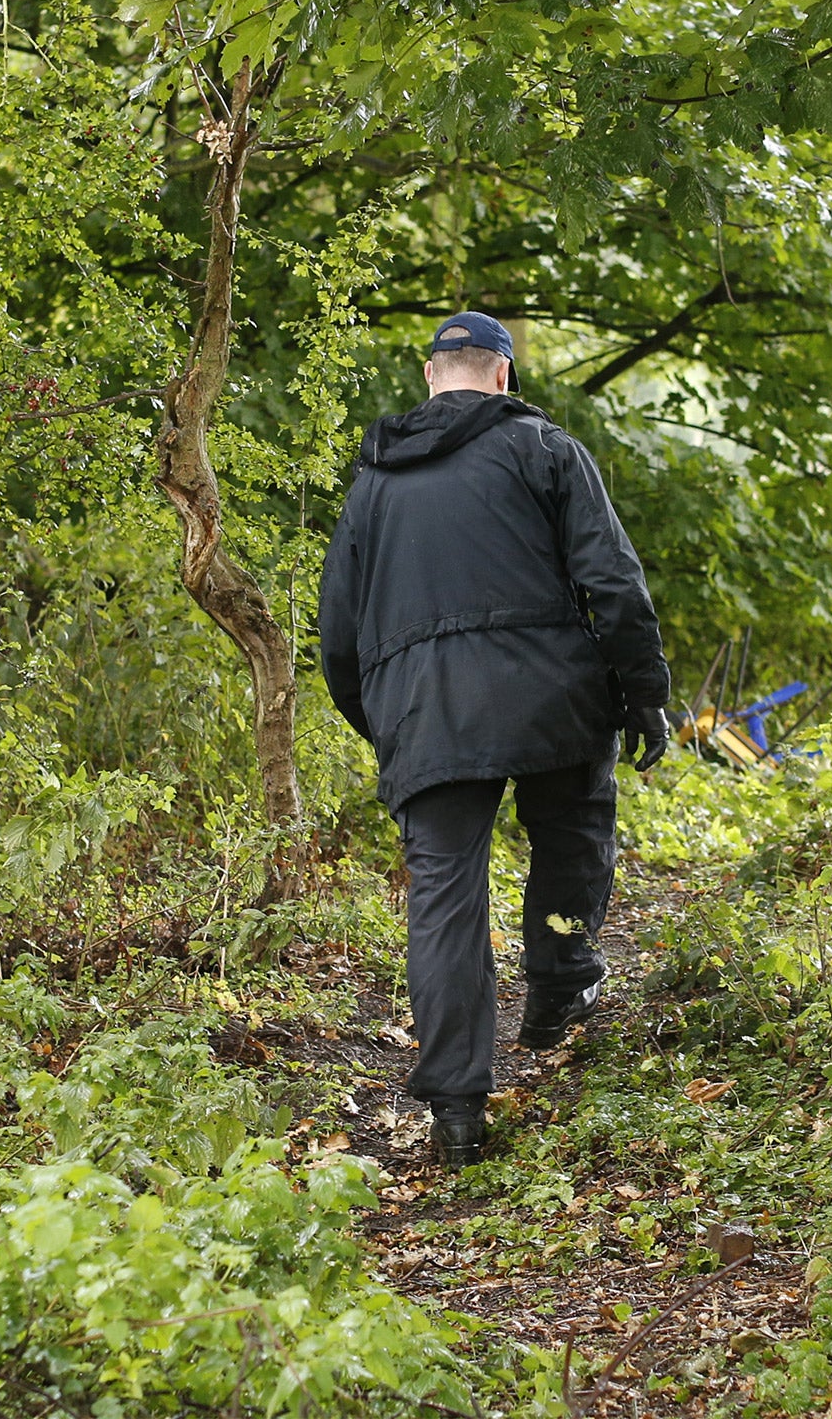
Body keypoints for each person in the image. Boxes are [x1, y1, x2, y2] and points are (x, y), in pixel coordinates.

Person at [318, 311, 672, 1169]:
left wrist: (388, 722)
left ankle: (456, 1109)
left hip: (422, 713)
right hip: (552, 696)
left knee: (444, 897)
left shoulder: (373, 483)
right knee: (574, 827)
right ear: (503, 376)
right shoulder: (545, 450)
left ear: (430, 376)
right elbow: (614, 583)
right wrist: (644, 697)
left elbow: (336, 636)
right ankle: (558, 990)